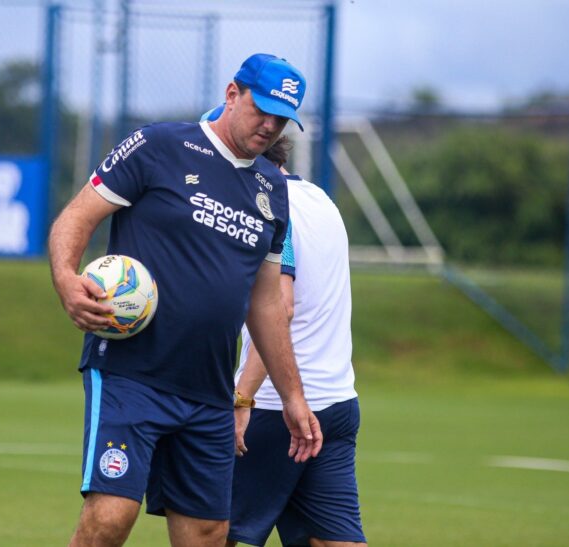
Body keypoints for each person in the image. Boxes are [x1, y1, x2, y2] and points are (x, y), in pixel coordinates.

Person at [48, 53, 322, 547]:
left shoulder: (272, 189)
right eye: (261, 109)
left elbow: (266, 304)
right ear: (232, 93)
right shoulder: (158, 146)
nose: (269, 125)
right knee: (111, 517)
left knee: (208, 534)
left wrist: (292, 396)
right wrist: (67, 279)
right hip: (132, 374)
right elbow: (77, 215)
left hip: (209, 389)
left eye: (281, 119)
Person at [204, 113, 367, 546]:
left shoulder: (267, 206)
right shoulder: (320, 200)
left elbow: (281, 305)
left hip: (275, 409)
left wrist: (242, 398)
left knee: (206, 532)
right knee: (330, 539)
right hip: (336, 403)